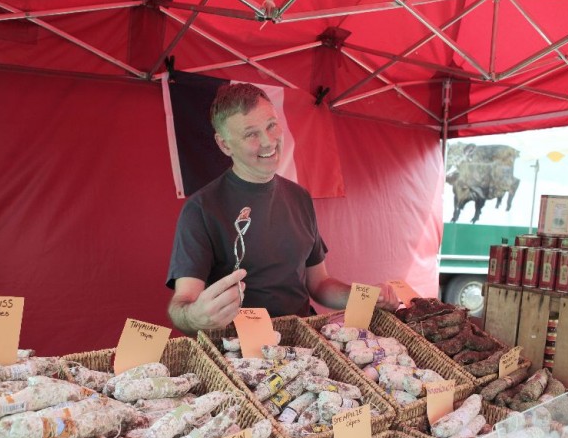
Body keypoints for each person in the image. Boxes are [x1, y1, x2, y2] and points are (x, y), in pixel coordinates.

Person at [166, 83, 400, 334]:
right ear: (224, 145)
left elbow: (319, 284)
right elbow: (182, 305)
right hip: (240, 346)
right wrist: (195, 316)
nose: (268, 142)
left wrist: (365, 297)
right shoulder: (201, 208)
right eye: (251, 134)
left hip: (302, 339)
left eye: (271, 126)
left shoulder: (300, 197)